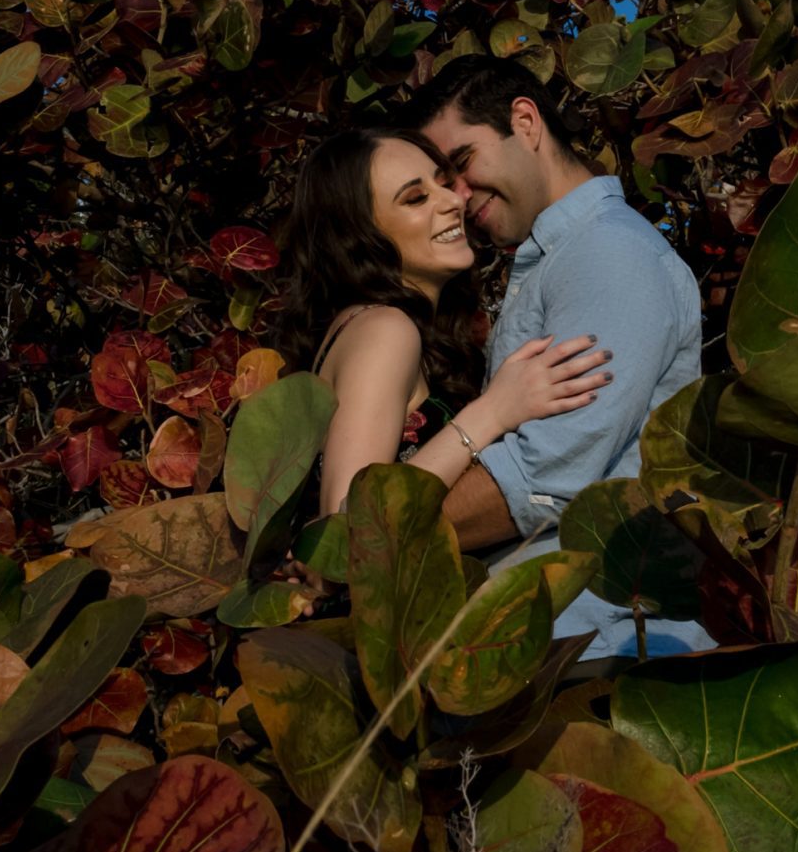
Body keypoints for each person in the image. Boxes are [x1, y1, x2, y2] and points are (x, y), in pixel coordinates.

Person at [412, 56, 709, 659]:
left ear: (525, 122)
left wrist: (374, 544)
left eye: (463, 164)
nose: (460, 198)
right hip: (557, 642)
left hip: (599, 649)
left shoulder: (607, 254)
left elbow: (543, 481)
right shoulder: (566, 255)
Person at [275, 125, 614, 524]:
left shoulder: (379, 327)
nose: (453, 201)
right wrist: (492, 412)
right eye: (416, 198)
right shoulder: (384, 331)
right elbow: (342, 530)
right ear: (360, 235)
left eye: (443, 183)